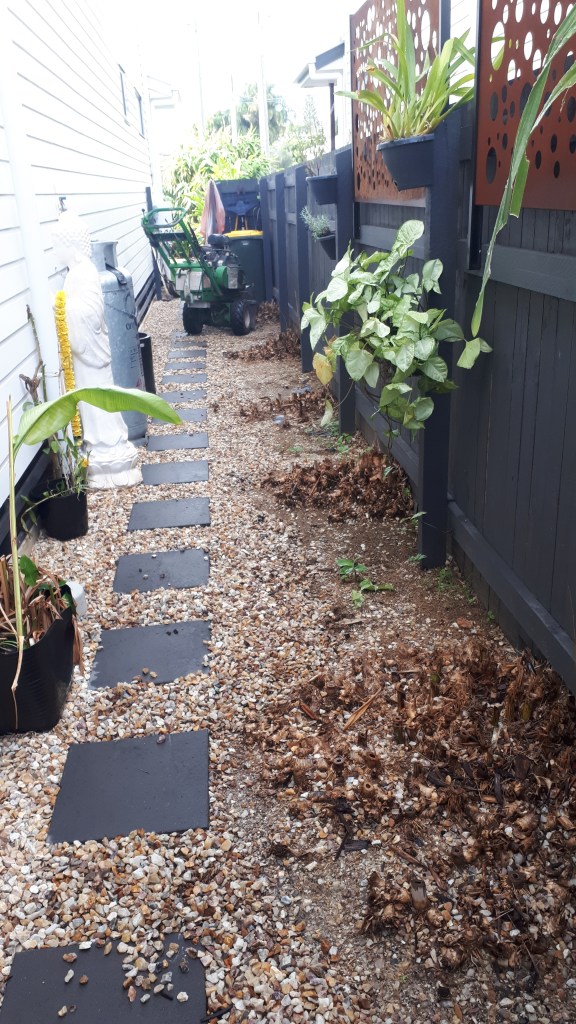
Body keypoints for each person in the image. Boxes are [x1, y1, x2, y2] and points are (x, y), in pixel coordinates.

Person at [52, 211, 142, 488]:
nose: (55, 251)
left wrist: (61, 308)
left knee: (99, 403)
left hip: (91, 353)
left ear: (70, 245)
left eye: (57, 245)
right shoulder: (74, 274)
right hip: (83, 358)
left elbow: (91, 313)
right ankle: (98, 446)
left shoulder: (84, 273)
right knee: (91, 406)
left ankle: (108, 446)